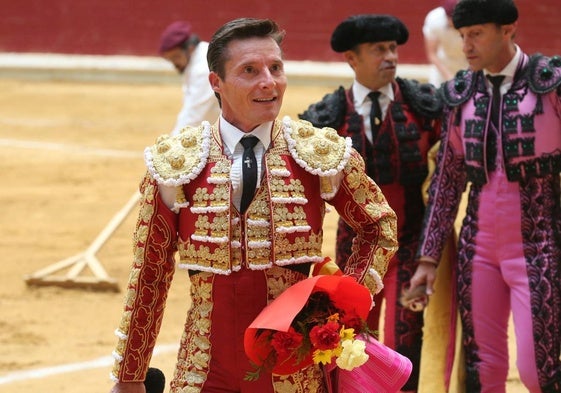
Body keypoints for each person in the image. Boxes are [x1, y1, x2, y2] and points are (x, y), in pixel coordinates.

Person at [109, 17, 398, 393]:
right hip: (203, 368)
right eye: (250, 70)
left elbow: (379, 228)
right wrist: (130, 375)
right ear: (217, 83)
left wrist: (337, 309)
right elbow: (150, 270)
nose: (269, 81)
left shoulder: (316, 153)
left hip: (293, 369)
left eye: (275, 68)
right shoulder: (177, 163)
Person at [410, 0, 561, 391]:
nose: (466, 46)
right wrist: (428, 258)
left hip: (542, 245)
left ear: (508, 29)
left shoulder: (551, 84)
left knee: (539, 370)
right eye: (463, 36)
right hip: (478, 248)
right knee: (483, 369)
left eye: (476, 34)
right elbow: (447, 178)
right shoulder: (462, 94)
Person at [299, 14, 442, 392]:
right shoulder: (323, 118)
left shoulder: (425, 108)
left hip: (411, 241)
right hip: (354, 247)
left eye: (393, 48)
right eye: (379, 49)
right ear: (352, 58)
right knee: (350, 344)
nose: (390, 57)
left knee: (404, 341)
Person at [159, 20, 220, 135]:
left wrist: (173, 143)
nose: (175, 64)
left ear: (190, 48)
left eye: (176, 57)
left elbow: (194, 115)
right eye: (170, 60)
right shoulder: (199, 56)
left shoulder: (202, 69)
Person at [422, 0, 467, 86]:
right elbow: (432, 54)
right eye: (451, 19)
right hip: (443, 65)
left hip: (467, 63)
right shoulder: (434, 19)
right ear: (445, 16)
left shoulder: (472, 20)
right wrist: (448, 76)